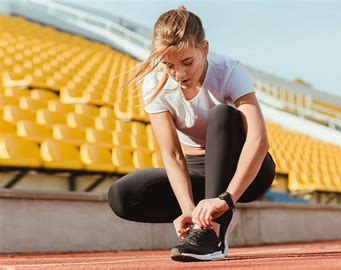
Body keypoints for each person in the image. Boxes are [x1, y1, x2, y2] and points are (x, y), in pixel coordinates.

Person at [107, 5, 276, 262]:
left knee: (223, 114)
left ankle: (213, 233)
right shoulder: (155, 85)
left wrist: (226, 199)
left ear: (204, 48)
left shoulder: (229, 72)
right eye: (169, 65)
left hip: (247, 171)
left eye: (187, 62)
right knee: (122, 196)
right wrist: (188, 209)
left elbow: (258, 140)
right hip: (198, 170)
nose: (179, 74)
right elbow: (173, 155)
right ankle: (206, 219)